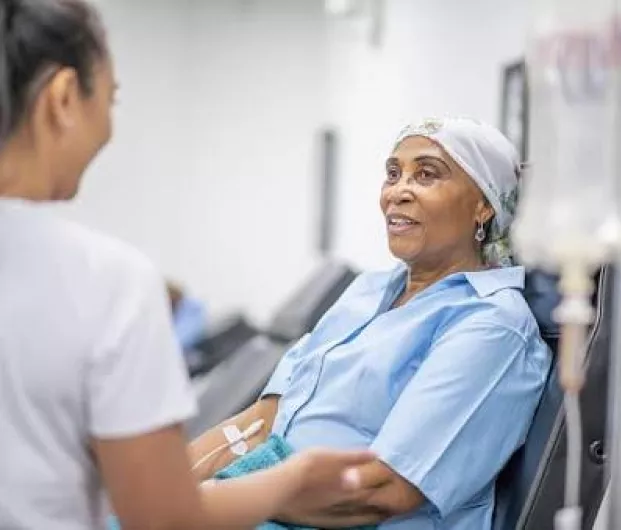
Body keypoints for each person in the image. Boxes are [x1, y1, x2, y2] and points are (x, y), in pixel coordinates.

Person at [0, 1, 373, 529]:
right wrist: (292, 478)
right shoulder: (108, 283)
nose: (108, 124)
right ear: (62, 100)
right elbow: (164, 520)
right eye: (110, 99)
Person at [191, 117, 553, 530]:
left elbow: (381, 491)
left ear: (483, 205)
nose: (399, 192)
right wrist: (157, 491)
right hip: (272, 505)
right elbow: (260, 423)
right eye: (393, 173)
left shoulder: (492, 326)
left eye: (427, 174)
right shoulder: (367, 291)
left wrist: (219, 500)